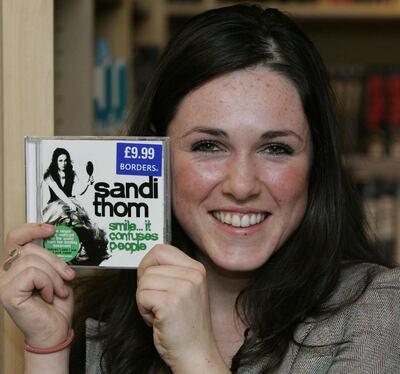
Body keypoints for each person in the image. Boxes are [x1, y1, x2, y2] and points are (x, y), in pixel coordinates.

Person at [1, 4, 400, 373]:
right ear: (156, 156)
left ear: (316, 161)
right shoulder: (100, 319)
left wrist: (196, 356)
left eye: (276, 148)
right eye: (208, 146)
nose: (242, 185)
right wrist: (49, 348)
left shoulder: (376, 310)